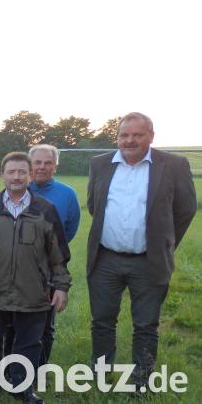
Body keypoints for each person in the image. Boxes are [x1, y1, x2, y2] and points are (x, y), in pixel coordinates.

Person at [87, 112, 196, 387]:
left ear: (151, 136)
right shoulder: (100, 164)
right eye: (124, 135)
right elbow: (94, 205)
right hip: (106, 259)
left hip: (149, 262)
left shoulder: (173, 164)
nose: (130, 140)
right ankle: (100, 373)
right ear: (117, 137)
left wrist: (164, 242)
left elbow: (185, 209)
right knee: (102, 321)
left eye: (137, 135)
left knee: (146, 325)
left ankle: (141, 382)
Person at [0, 152, 71, 404]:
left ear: (30, 175)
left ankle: (21, 387)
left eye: (21, 172)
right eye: (11, 172)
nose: (16, 177)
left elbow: (58, 254)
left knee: (29, 344)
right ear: (2, 175)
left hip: (34, 292)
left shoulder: (45, 210)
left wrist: (61, 287)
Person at [2, 144, 80, 366]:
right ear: (29, 165)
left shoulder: (67, 194)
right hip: (14, 268)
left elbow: (70, 229)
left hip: (48, 271)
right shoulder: (17, 189)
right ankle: (10, 369)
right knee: (12, 323)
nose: (42, 167)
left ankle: (38, 369)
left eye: (48, 163)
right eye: (37, 162)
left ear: (55, 166)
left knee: (46, 324)